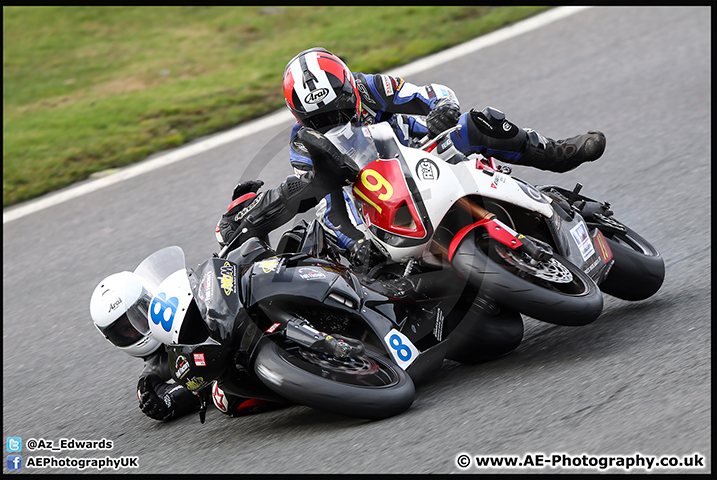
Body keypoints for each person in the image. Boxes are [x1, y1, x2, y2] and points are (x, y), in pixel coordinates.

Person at [215, 47, 606, 269]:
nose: (333, 122)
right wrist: (352, 244)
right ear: (300, 117)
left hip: (424, 152)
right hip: (381, 201)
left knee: (480, 121)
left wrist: (444, 111)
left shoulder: (373, 87)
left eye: (338, 110)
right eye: (321, 119)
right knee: (366, 263)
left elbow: (436, 93)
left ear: (350, 88)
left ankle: (556, 153)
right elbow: (328, 207)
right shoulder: (302, 144)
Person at [90, 271, 276, 421]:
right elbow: (162, 403)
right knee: (224, 399)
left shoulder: (179, 297)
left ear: (148, 300)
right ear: (114, 339)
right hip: (242, 365)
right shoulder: (150, 380)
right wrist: (169, 402)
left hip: (243, 318)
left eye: (138, 316)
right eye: (125, 329)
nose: (136, 329)